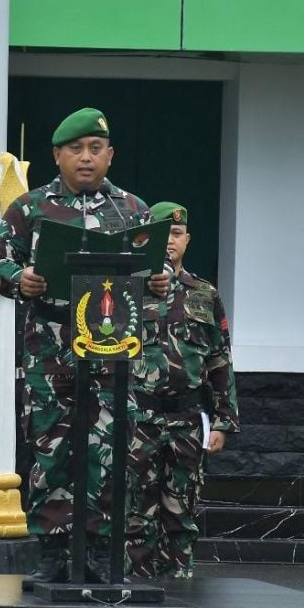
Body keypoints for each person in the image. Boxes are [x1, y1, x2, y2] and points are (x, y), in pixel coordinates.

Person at [0, 107, 169, 584]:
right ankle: (52, 550)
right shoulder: (30, 208)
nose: (86, 158)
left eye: (95, 149)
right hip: (52, 351)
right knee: (53, 447)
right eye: (76, 149)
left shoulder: (132, 210)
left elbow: (156, 271)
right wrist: (21, 278)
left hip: (113, 350)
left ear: (110, 155)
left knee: (110, 448)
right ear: (58, 156)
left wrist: (159, 282)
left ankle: (103, 550)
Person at [127, 202, 239, 579]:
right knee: (135, 509)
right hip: (138, 418)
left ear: (187, 240)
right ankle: (136, 583)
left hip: (187, 420)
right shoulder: (128, 290)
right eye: (162, 234)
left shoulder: (204, 294)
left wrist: (222, 421)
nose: (169, 241)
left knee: (181, 510)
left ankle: (179, 584)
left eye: (176, 234)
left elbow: (220, 360)